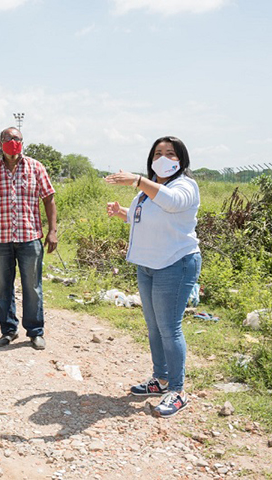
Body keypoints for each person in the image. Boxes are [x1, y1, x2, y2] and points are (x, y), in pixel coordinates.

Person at [105, 136, 201, 418]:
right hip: (148, 264)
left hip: (175, 264)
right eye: (158, 153)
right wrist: (122, 212)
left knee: (169, 328)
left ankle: (178, 390)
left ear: (180, 159)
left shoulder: (185, 186)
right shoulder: (146, 192)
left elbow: (171, 204)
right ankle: (160, 380)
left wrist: (136, 180)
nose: (163, 157)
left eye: (170, 153)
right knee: (154, 326)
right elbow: (144, 218)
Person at [0, 127, 58, 350]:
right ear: (0, 143)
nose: (13, 142)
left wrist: (52, 230)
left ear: (23, 142)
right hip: (0, 240)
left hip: (30, 238)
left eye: (17, 138)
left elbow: (49, 199)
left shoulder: (36, 168)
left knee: (32, 287)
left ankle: (35, 332)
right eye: (8, 138)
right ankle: (8, 330)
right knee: (2, 287)